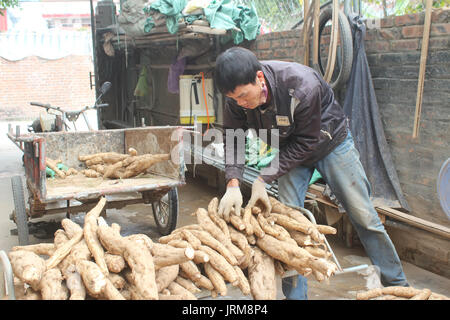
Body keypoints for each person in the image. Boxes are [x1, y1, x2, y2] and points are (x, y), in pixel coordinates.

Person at [214, 46, 408, 300]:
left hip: (330, 142)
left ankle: (400, 286)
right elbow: (234, 138)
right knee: (288, 223)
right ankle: (296, 296)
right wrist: (232, 183)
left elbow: (307, 143)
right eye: (234, 99)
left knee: (364, 216)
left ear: (259, 78)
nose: (241, 104)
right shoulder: (237, 100)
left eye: (243, 96)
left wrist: (264, 178)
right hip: (289, 149)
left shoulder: (301, 85)